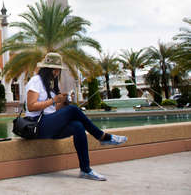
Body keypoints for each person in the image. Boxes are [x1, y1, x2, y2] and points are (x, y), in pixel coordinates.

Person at [25, 52, 127, 181]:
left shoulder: (51, 84)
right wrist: (54, 100)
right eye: (55, 70)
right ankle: (102, 136)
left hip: (50, 124)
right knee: (73, 110)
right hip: (37, 125)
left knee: (78, 126)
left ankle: (86, 170)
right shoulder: (36, 81)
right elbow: (31, 106)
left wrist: (63, 102)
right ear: (48, 69)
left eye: (58, 70)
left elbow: (53, 110)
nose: (57, 73)